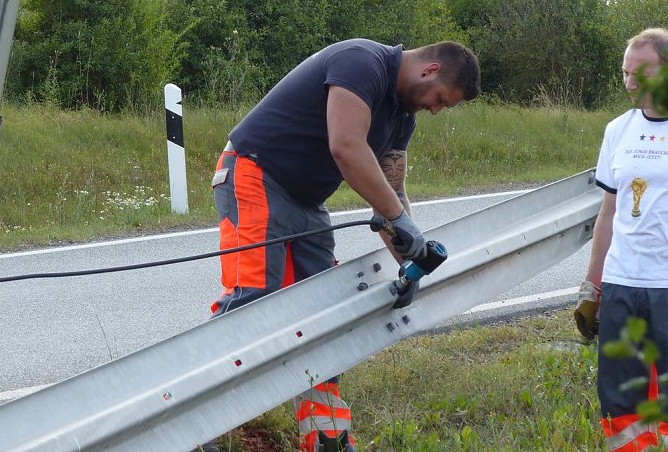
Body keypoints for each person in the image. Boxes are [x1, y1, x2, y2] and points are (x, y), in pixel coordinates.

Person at [205, 38, 480, 452]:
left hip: (306, 201)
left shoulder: (402, 117)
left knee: (324, 314)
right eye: (441, 99)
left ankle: (325, 438)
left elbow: (391, 195)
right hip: (254, 173)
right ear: (431, 70)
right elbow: (346, 146)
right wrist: (401, 223)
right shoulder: (362, 63)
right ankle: (189, 430)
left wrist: (410, 264)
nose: (437, 109)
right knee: (253, 302)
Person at [575, 28, 668, 451]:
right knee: (622, 400)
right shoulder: (618, 130)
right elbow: (608, 214)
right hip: (623, 284)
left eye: (639, 73)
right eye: (624, 73)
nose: (630, 83)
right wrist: (593, 287)